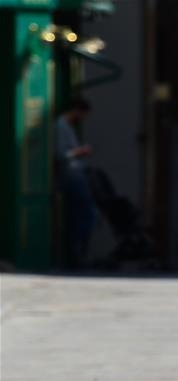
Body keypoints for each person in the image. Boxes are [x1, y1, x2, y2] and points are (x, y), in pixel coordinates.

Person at [55, 97, 95, 268]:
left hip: (74, 174)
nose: (83, 118)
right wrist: (80, 151)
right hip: (70, 175)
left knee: (80, 214)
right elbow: (61, 155)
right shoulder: (60, 127)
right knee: (84, 214)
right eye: (83, 114)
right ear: (76, 111)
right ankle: (77, 255)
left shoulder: (66, 127)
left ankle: (77, 254)